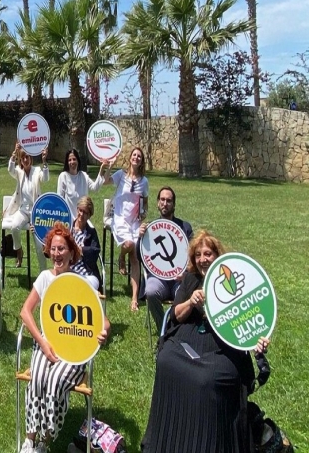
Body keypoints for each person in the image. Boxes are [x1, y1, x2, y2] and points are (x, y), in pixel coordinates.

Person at [141, 230, 270, 452]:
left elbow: (249, 322)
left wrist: (257, 346)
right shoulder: (191, 279)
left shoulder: (234, 281)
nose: (203, 259)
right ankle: (165, 439)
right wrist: (191, 302)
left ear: (217, 255)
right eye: (198, 255)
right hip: (188, 335)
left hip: (221, 345)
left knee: (209, 378)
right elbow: (175, 315)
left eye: (208, 253)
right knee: (167, 360)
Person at [19, 223, 110, 453]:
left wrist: (104, 331)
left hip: (74, 351)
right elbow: (25, 311)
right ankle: (30, 438)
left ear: (71, 252)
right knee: (37, 379)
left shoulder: (81, 282)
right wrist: (43, 342)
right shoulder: (44, 277)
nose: (57, 254)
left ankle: (46, 439)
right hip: (46, 344)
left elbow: (102, 319)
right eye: (53, 249)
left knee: (55, 382)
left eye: (62, 249)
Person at [140, 186, 193, 331]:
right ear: (157, 203)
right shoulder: (149, 229)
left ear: (174, 204)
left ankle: (179, 330)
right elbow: (142, 258)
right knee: (150, 291)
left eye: (169, 200)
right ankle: (164, 329)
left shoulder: (185, 228)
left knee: (186, 294)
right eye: (162, 200)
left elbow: (193, 256)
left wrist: (186, 273)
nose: (165, 203)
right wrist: (140, 238)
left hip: (179, 279)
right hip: (158, 279)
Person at [104, 147, 148, 311]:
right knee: (129, 244)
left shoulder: (144, 181)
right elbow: (105, 181)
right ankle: (121, 257)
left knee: (136, 255)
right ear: (130, 158)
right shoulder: (121, 175)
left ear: (141, 161)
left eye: (139, 156)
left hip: (135, 221)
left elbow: (145, 201)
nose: (136, 158)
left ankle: (134, 299)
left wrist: (143, 215)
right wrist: (109, 166)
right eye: (134, 155)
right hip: (120, 219)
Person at [2, 142, 49, 270]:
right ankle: (19, 250)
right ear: (21, 160)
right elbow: (10, 169)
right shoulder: (19, 172)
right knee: (15, 227)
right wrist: (14, 153)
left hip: (36, 212)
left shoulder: (37, 170)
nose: (25, 160)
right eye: (23, 158)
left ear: (31, 158)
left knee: (39, 247)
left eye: (27, 157)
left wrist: (44, 161)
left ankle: (43, 274)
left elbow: (45, 179)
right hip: (23, 210)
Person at [56, 148, 107, 221]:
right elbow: (59, 201)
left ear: (78, 161)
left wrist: (102, 169)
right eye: (69, 160)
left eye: (74, 159)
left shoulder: (83, 175)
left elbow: (95, 188)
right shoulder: (63, 176)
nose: (72, 162)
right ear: (67, 162)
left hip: (83, 221)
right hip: (69, 221)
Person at [70, 196, 102, 291]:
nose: (81, 214)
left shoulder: (91, 232)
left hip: (86, 272)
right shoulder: (68, 227)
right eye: (80, 210)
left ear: (89, 215)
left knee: (88, 284)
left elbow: (95, 251)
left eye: (85, 212)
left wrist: (82, 250)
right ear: (77, 209)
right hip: (67, 268)